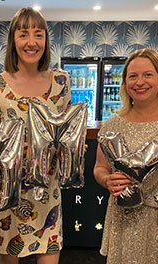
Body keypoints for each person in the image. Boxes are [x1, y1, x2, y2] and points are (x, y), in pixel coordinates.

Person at [0, 7, 70, 264]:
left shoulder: (61, 81)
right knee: (9, 258)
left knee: (49, 255)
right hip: (7, 189)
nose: (32, 42)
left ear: (46, 40)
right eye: (23, 34)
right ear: (13, 40)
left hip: (47, 188)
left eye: (38, 34)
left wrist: (70, 150)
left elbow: (64, 131)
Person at [93, 48, 158, 264]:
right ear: (125, 82)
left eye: (148, 74)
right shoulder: (113, 124)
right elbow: (100, 167)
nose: (140, 82)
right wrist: (107, 180)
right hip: (124, 218)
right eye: (133, 76)